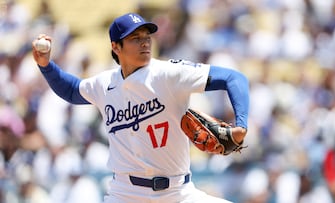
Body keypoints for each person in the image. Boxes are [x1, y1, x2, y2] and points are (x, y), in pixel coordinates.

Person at [32, 12, 249, 203]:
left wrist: (242, 124)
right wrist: (46, 66)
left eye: (147, 37)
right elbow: (71, 90)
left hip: (177, 192)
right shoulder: (104, 84)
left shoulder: (168, 73)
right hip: (125, 193)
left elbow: (233, 77)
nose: (145, 43)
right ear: (115, 46)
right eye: (135, 39)